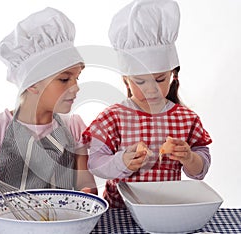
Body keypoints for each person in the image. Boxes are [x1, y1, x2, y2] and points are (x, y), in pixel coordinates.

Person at [0, 7, 97, 200]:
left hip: (62, 221)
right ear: (32, 84)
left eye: (77, 78)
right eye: (64, 79)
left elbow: (85, 181)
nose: (76, 87)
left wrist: (88, 193)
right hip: (8, 221)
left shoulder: (74, 127)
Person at [82, 0, 212, 208]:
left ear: (173, 74)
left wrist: (189, 158)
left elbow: (200, 170)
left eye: (160, 79)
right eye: (140, 82)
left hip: (165, 210)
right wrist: (121, 161)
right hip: (119, 214)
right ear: (126, 79)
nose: (150, 89)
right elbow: (95, 164)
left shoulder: (186, 119)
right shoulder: (113, 117)